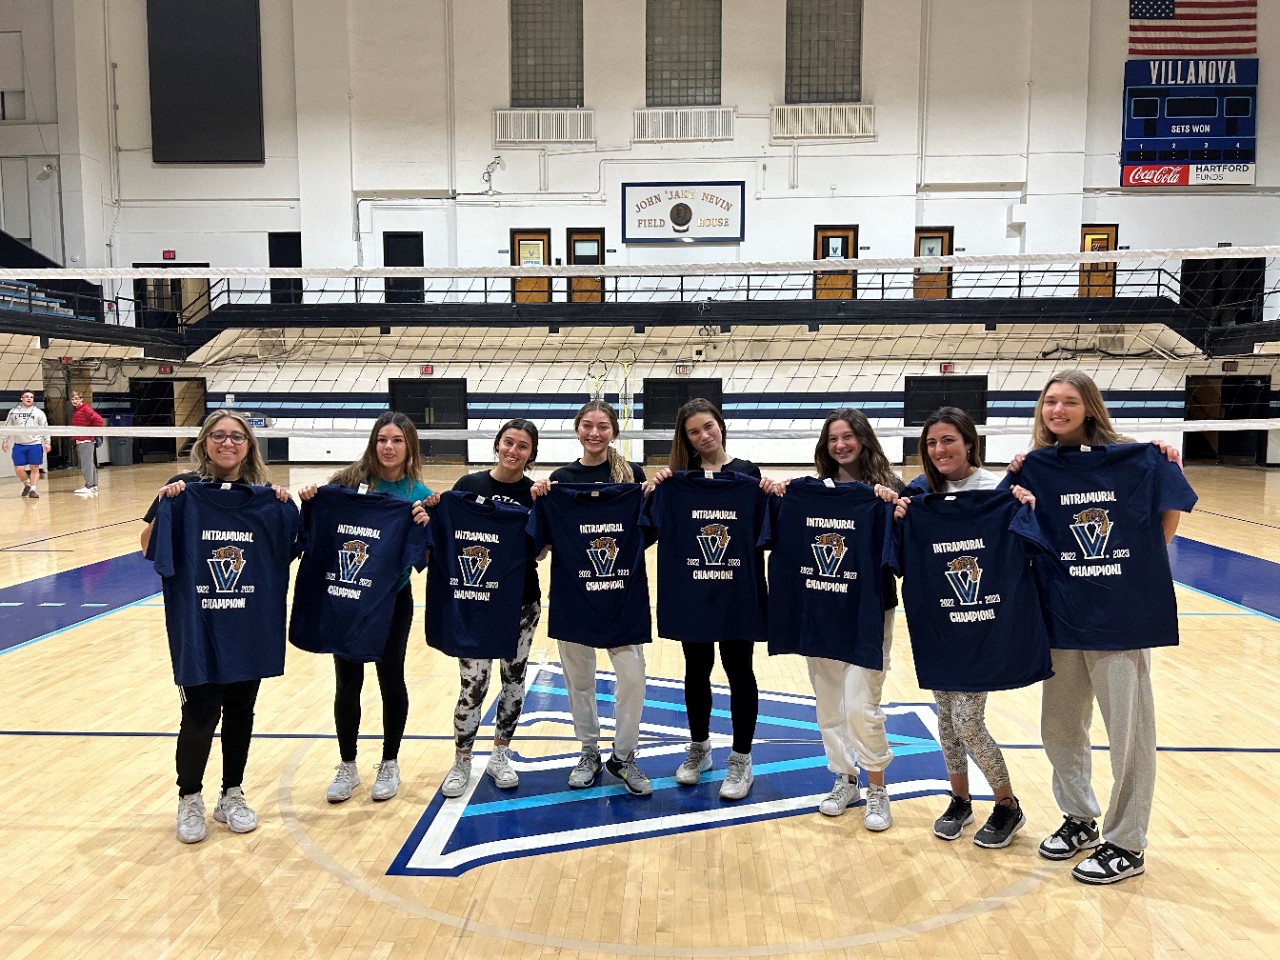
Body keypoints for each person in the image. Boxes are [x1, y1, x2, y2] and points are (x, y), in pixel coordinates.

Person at [1007, 370, 1197, 884]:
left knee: (1129, 738)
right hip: (1061, 618)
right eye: (1050, 402)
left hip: (1121, 619)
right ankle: (1080, 818)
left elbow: (1170, 508)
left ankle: (1127, 842)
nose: (1058, 410)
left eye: (1069, 402)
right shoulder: (1036, 467)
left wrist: (1141, 561)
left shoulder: (1135, 457)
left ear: (1090, 407)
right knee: (1061, 730)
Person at [139, 410, 295, 844]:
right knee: (200, 713)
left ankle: (232, 794)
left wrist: (283, 504)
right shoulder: (183, 491)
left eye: (237, 437)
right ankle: (189, 798)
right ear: (205, 441)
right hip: (200, 627)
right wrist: (165, 505)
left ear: (249, 445)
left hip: (247, 627)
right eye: (219, 436)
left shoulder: (265, 497)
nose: (228, 443)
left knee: (242, 712)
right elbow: (149, 548)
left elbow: (293, 548)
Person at [893, 407, 1036, 847]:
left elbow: (1026, 547)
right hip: (939, 621)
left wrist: (1026, 508)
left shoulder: (997, 489)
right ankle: (960, 800)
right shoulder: (918, 493)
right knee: (948, 721)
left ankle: (1007, 805)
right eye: (932, 443)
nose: (940, 450)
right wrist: (897, 515)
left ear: (969, 442)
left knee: (968, 721)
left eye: (949, 440)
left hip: (982, 622)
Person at [297, 412, 431, 805]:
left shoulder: (417, 493)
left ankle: (389, 762)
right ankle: (348, 765)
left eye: (397, 440)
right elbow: (322, 523)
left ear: (409, 446)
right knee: (347, 680)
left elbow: (424, 556)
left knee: (391, 679)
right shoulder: (348, 481)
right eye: (382, 440)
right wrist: (311, 499)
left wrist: (427, 524)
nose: (388, 447)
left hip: (392, 599)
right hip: (348, 595)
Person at [645, 398, 770, 801]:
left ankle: (741, 758)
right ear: (686, 438)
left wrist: (773, 491)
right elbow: (648, 529)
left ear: (721, 424)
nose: (703, 436)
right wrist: (653, 490)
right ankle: (699, 749)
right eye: (694, 431)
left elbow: (770, 532)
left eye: (708, 426)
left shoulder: (748, 475)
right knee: (696, 670)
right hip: (692, 592)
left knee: (739, 671)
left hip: (737, 592)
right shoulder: (678, 481)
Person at [785, 408, 904, 830]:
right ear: (825, 445)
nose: (841, 445)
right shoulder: (812, 491)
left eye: (848, 437)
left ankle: (878, 789)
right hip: (820, 609)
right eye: (833, 438)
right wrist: (777, 491)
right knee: (828, 705)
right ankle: (844, 778)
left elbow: (906, 552)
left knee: (861, 705)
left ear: (863, 439)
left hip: (869, 612)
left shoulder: (888, 490)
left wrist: (896, 508)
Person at [531, 400, 652, 794]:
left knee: (632, 679)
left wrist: (654, 490)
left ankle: (624, 756)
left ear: (614, 431)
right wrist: (540, 498)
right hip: (574, 596)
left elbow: (647, 532)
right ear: (577, 430)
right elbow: (542, 544)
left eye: (602, 426)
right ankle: (588, 752)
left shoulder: (631, 476)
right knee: (578, 681)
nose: (594, 433)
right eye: (587, 425)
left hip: (621, 595)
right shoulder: (560, 480)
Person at [433, 419, 543, 797]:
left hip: (521, 602)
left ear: (532, 454)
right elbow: (446, 534)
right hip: (475, 600)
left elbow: (542, 549)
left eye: (523, 446)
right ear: (497, 444)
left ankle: (500, 756)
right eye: (508, 442)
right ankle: (462, 760)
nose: (514, 451)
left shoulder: (535, 494)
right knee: (473, 684)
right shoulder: (467, 487)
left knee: (513, 679)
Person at [3, 390, 51, 499]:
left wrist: (47, 442)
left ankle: (33, 490)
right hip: (19, 444)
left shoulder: (38, 412)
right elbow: (7, 428)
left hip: (35, 444)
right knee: (19, 469)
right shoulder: (13, 412)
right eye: (26, 397)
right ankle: (27, 484)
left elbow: (45, 428)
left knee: (34, 467)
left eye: (31, 397)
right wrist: (5, 441)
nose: (29, 399)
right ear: (21, 398)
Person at [69, 391, 105, 496]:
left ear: (81, 399)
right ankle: (93, 485)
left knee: (86, 464)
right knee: (89, 463)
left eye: (77, 399)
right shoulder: (78, 411)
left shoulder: (85, 409)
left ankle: (89, 485)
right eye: (72, 399)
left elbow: (99, 420)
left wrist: (90, 432)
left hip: (86, 440)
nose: (75, 401)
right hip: (82, 439)